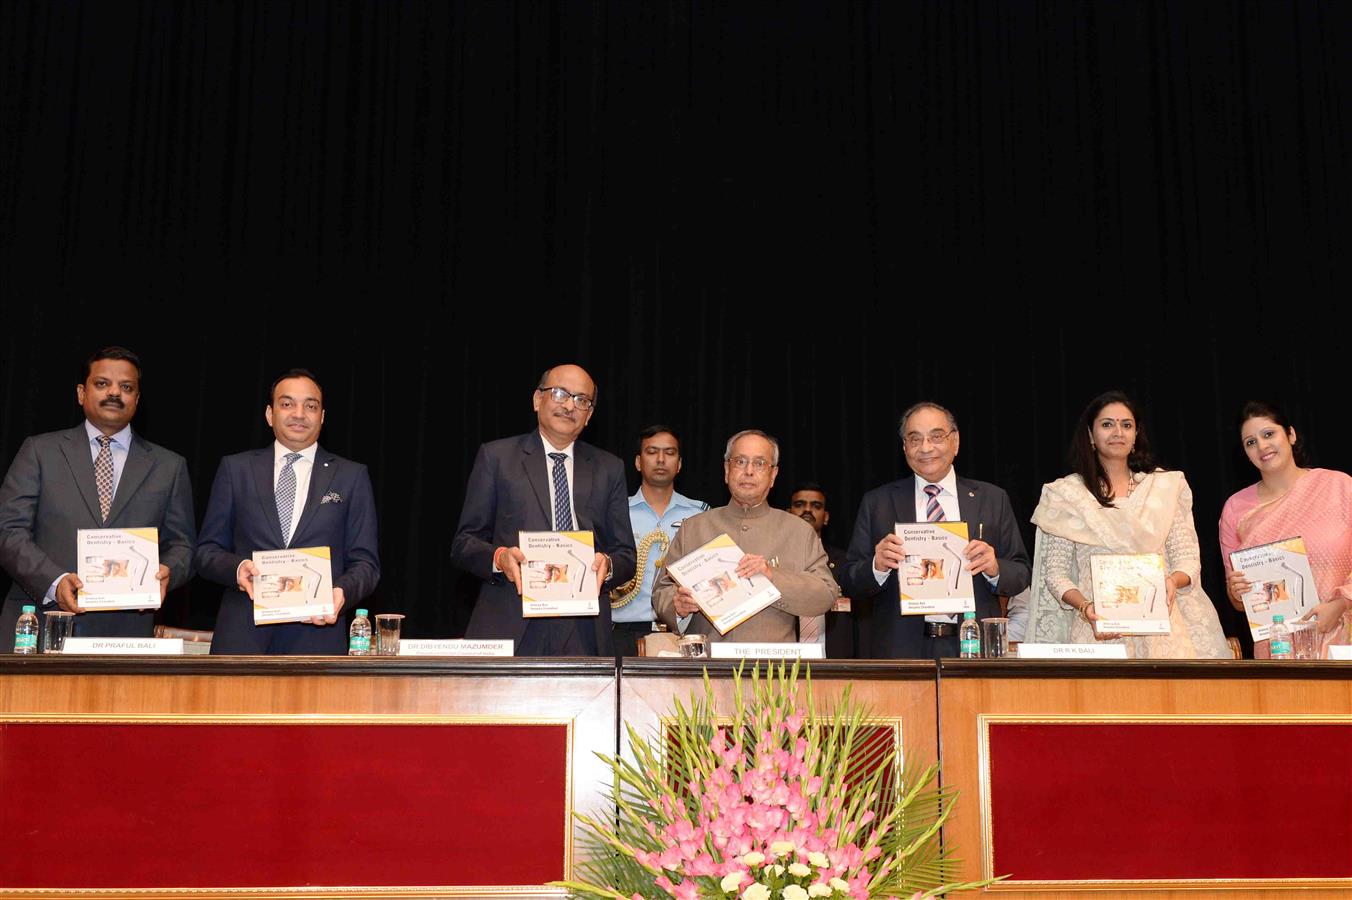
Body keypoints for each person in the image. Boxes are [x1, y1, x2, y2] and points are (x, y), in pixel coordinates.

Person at [0, 347, 196, 643]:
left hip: (127, 631)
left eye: (126, 387)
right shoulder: (40, 452)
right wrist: (54, 581)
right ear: (81, 393)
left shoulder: (169, 466)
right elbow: (7, 531)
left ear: (137, 400)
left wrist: (169, 571)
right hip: (42, 621)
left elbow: (183, 545)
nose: (114, 393)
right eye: (102, 384)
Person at [1026, 391, 1229, 658]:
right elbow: (1055, 574)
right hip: (1098, 635)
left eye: (1126, 425)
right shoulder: (1068, 496)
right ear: (1090, 435)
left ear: (1136, 435)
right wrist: (1086, 608)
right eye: (1107, 424)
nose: (1117, 432)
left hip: (1163, 635)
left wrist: (1171, 581)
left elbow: (1188, 560)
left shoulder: (1162, 489)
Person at [451, 364, 636, 656]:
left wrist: (608, 565)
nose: (569, 406)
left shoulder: (609, 468)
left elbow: (626, 554)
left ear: (589, 416)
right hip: (512, 615)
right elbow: (464, 543)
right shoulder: (497, 458)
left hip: (584, 625)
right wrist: (500, 558)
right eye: (560, 393)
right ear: (538, 399)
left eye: (581, 400)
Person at [195, 369, 380, 654]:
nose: (299, 413)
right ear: (270, 414)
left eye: (310, 406)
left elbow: (366, 563)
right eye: (287, 403)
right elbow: (206, 551)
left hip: (318, 636)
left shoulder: (351, 476)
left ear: (322, 416)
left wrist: (341, 591)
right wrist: (238, 569)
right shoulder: (236, 470)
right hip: (243, 636)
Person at [841, 402, 1031, 659]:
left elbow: (1021, 573)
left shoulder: (991, 498)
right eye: (915, 439)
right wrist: (877, 565)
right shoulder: (879, 503)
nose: (926, 447)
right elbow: (850, 580)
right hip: (901, 649)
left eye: (936, 436)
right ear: (905, 447)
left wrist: (994, 567)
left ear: (956, 441)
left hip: (973, 646)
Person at [652, 430, 838, 642]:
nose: (749, 471)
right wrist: (677, 606)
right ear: (726, 470)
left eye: (759, 463)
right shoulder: (693, 528)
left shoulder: (799, 531)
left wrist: (771, 575)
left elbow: (826, 593)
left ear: (773, 475)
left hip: (772, 669)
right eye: (740, 461)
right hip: (707, 667)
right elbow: (662, 591)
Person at [1220, 402, 1351, 658]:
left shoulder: (1339, 487)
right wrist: (1237, 593)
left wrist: (1341, 603)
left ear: (1290, 434)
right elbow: (1238, 603)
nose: (1262, 446)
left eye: (1269, 434)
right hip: (1278, 649)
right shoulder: (1236, 509)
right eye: (1250, 442)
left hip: (1344, 641)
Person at [608, 425, 708, 656]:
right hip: (624, 634)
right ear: (638, 462)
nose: (661, 459)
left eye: (670, 453)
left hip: (683, 634)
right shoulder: (617, 513)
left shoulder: (700, 515)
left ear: (680, 463)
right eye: (652, 452)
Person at [786, 482, 858, 656]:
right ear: (787, 514)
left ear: (825, 517)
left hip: (835, 663)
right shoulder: (775, 562)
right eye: (799, 504)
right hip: (785, 663)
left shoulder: (845, 563)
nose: (807, 510)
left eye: (816, 506)